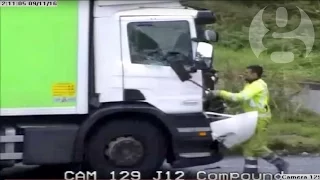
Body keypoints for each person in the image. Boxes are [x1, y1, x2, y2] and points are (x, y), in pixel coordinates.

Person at [208, 65, 289, 175]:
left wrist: (220, 93)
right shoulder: (251, 84)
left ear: (255, 74)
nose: (244, 74)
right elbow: (246, 101)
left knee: (256, 146)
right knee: (248, 146)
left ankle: (280, 163)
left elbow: (240, 97)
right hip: (252, 117)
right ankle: (250, 172)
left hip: (260, 119)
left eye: (247, 73)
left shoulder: (256, 85)